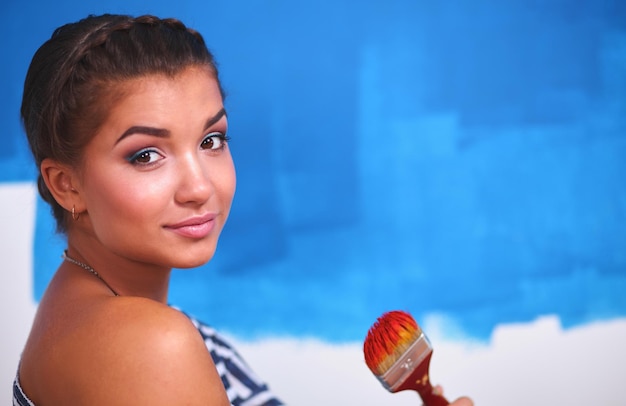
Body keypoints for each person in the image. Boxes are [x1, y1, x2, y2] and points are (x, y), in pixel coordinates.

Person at [14, 13, 473, 406]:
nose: (199, 187)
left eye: (211, 141)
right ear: (66, 185)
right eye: (146, 155)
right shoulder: (149, 343)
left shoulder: (86, 311)